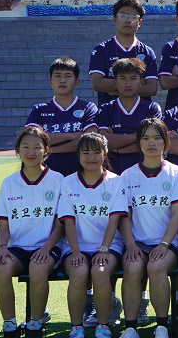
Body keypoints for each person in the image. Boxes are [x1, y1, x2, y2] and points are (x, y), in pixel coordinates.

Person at [115, 118, 178, 338]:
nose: (151, 143)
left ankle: (162, 326)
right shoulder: (127, 175)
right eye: (146, 138)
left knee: (156, 267)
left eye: (157, 138)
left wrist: (164, 244)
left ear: (166, 142)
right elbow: (124, 217)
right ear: (139, 142)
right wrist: (130, 245)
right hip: (137, 242)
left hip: (169, 243)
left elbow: (177, 215)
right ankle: (130, 327)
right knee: (132, 268)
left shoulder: (176, 173)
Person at [0, 126, 66, 338]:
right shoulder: (9, 183)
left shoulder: (58, 180)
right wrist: (2, 248)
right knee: (1, 269)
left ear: (46, 150)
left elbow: (60, 225)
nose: (31, 152)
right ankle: (9, 324)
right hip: (18, 248)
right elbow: (4, 226)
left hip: (49, 246)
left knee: (38, 267)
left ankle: (35, 322)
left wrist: (46, 248)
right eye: (25, 147)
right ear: (18, 151)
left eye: (37, 147)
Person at [59, 132, 127, 338]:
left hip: (109, 245)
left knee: (100, 271)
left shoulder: (116, 181)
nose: (91, 157)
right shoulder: (68, 182)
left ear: (105, 153)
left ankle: (103, 325)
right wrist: (75, 251)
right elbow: (68, 221)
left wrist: (104, 249)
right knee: (78, 272)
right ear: (78, 155)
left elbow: (114, 220)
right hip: (76, 246)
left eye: (96, 152)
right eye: (86, 152)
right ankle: (76, 327)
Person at [26, 57, 99, 177]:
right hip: (46, 176)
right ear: (50, 81)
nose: (62, 80)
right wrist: (71, 135)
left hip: (80, 176)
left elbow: (88, 142)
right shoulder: (39, 110)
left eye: (68, 76)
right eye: (58, 76)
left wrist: (49, 149)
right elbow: (33, 141)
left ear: (77, 81)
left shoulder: (88, 108)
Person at [97, 58, 164, 174]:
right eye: (123, 78)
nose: (128, 84)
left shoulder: (152, 108)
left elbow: (153, 143)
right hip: (113, 173)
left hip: (145, 172)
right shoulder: (106, 109)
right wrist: (141, 136)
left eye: (133, 78)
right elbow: (107, 141)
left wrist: (118, 148)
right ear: (114, 82)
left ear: (141, 82)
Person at [88, 0, 158, 106]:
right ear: (114, 19)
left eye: (133, 17)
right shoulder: (101, 49)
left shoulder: (147, 52)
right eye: (123, 16)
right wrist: (135, 87)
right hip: (109, 112)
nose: (128, 20)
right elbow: (97, 83)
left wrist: (117, 89)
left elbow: (152, 88)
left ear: (139, 22)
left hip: (141, 113)